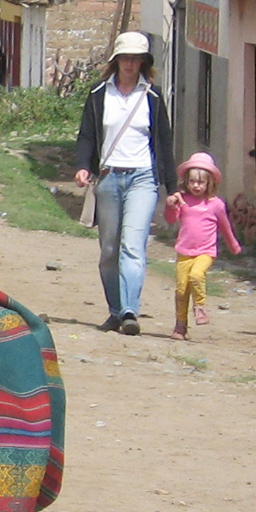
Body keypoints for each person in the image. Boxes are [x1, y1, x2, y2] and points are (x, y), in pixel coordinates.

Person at [74, 31, 177, 335]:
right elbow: (87, 136)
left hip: (143, 178)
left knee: (133, 246)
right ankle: (115, 310)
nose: (130, 63)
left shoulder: (154, 98)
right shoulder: (98, 95)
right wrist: (82, 166)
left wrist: (173, 189)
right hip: (107, 178)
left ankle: (130, 309)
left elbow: (165, 145)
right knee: (109, 250)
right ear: (116, 60)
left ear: (144, 62)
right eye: (126, 57)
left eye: (136, 58)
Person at [163, 152, 240, 341]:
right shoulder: (182, 200)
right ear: (186, 182)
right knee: (181, 290)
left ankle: (200, 307)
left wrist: (233, 245)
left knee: (196, 275)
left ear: (210, 183)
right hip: (184, 252)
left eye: (201, 182)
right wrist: (170, 206)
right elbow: (171, 219)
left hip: (206, 251)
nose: (196, 186)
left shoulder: (216, 205)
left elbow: (225, 226)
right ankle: (180, 326)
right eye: (192, 182)